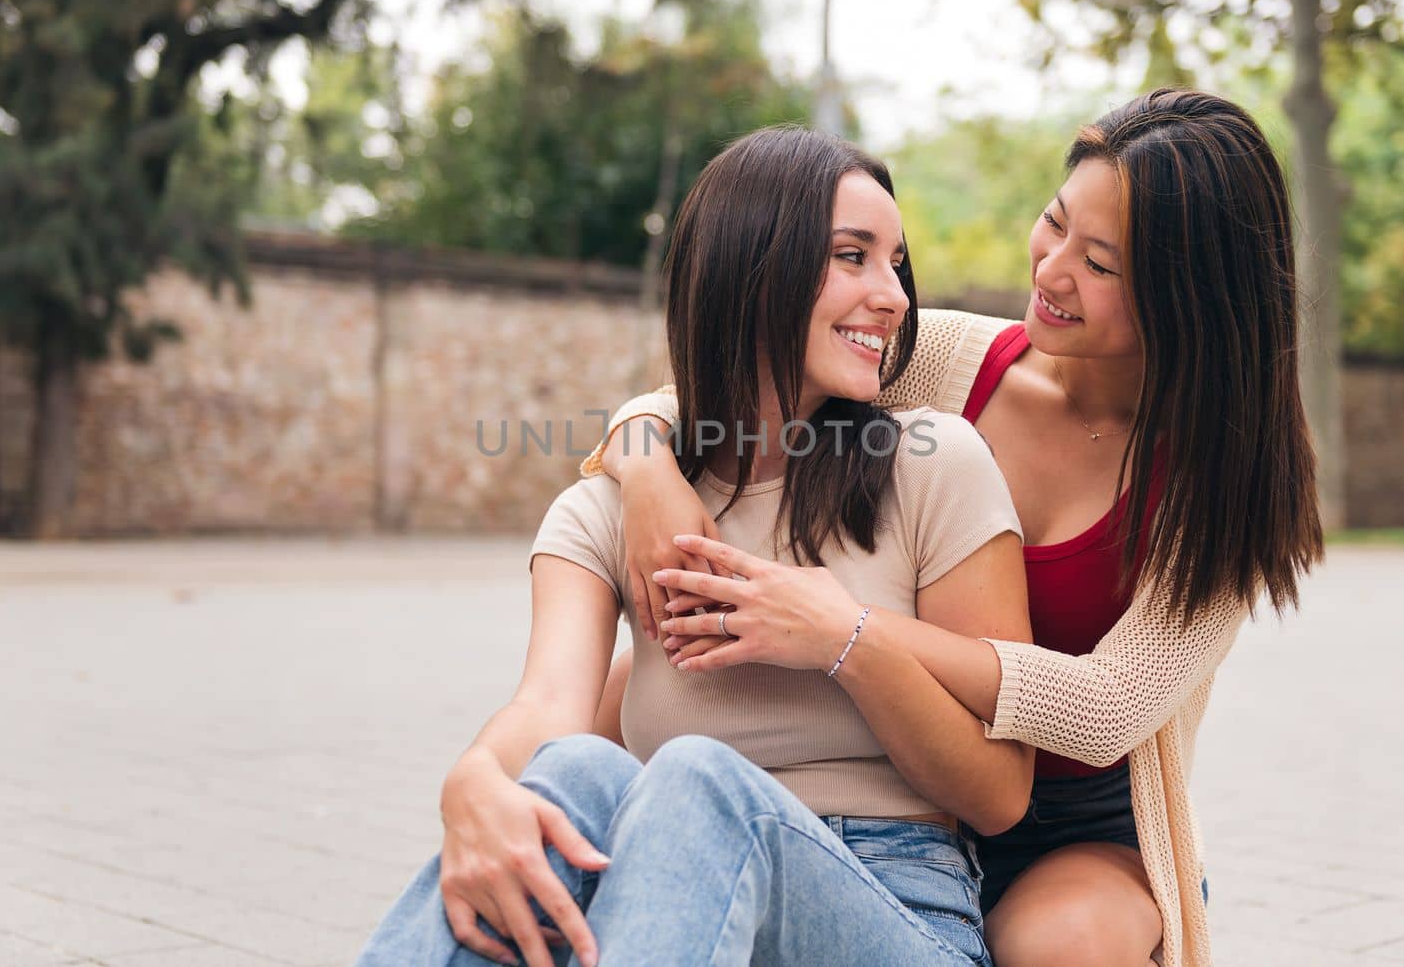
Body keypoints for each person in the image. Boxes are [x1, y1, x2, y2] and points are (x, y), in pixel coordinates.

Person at [579, 88, 1324, 967]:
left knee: (1055, 944)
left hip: (1071, 828)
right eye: (1054, 223)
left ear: (1190, 297)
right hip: (896, 773)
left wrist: (843, 628)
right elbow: (717, 391)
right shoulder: (946, 358)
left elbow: (1100, 709)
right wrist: (643, 465)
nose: (1051, 271)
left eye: (1102, 263)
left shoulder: (1223, 485)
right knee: (620, 694)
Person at [356, 125, 1036, 967]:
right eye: (852, 256)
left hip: (896, 906)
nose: (893, 294)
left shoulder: (935, 466)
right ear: (753, 270)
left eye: (894, 262)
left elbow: (1003, 792)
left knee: (696, 779)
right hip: (673, 904)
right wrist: (472, 784)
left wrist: (845, 640)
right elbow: (547, 707)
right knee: (567, 772)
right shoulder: (611, 506)